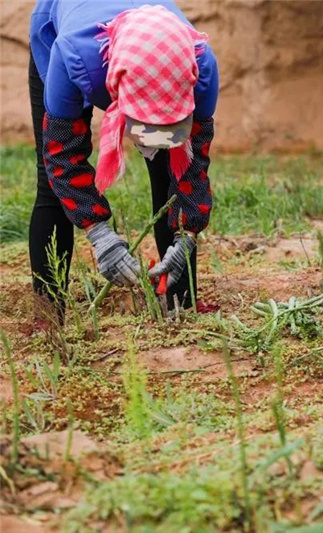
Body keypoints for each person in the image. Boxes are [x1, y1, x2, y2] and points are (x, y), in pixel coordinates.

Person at [28, 0, 218, 317]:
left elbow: (193, 166)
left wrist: (187, 235)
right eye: (147, 125)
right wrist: (99, 234)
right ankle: (47, 315)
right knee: (50, 187)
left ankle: (181, 305)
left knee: (170, 171)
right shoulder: (73, 55)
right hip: (65, 32)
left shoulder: (200, 65)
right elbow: (63, 158)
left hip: (158, 55)